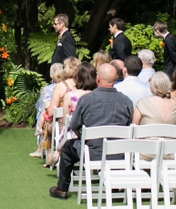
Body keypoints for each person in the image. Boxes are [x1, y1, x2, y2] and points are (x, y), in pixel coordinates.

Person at [49, 63, 134, 200]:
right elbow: (129, 125)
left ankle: (62, 188)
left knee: (67, 148)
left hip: (92, 153)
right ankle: (116, 187)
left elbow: (74, 125)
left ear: (98, 78)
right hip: (119, 154)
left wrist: (82, 138)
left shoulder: (87, 100)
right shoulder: (126, 101)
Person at [31, 63, 64, 158]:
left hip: (51, 119)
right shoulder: (68, 88)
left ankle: (40, 148)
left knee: (41, 114)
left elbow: (40, 105)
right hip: (63, 119)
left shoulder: (47, 89)